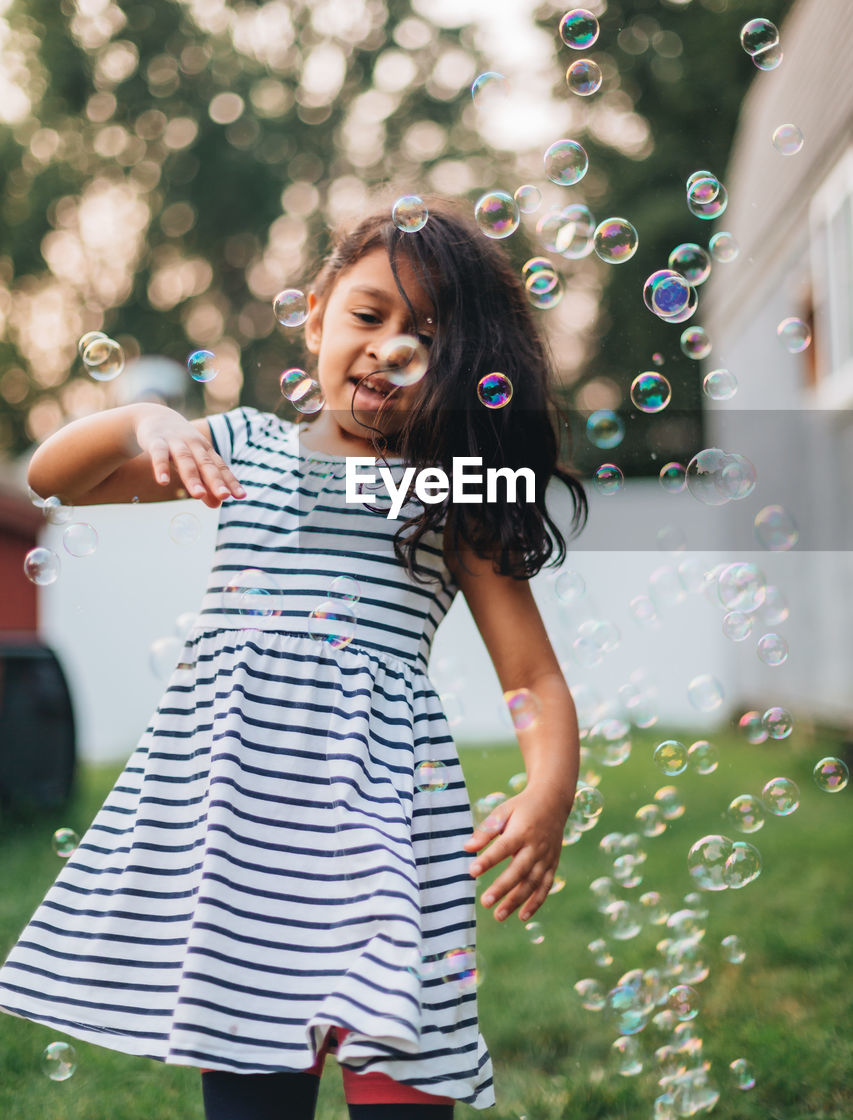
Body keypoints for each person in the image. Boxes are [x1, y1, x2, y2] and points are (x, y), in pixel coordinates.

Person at [0, 196, 587, 1119]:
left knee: (402, 1067)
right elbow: (51, 478)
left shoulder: (450, 493)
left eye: (426, 338)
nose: (391, 349)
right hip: (243, 828)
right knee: (254, 1082)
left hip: (384, 825)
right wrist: (144, 421)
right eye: (368, 316)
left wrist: (549, 790)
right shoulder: (236, 448)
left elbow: (531, 678)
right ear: (315, 314)